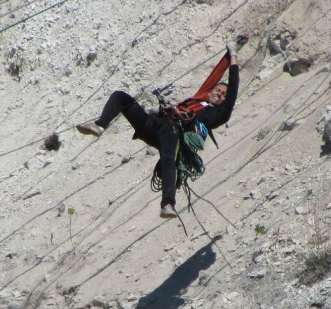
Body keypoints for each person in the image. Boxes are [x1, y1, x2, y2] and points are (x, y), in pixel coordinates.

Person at [77, 39, 242, 219]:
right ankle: (100, 126)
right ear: (210, 91)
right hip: (154, 126)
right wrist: (233, 49)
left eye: (223, 95)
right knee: (121, 97)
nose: (220, 94)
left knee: (168, 159)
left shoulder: (217, 115)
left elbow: (233, 89)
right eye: (218, 90)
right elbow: (216, 74)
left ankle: (168, 204)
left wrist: (234, 56)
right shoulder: (199, 98)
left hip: (173, 133)